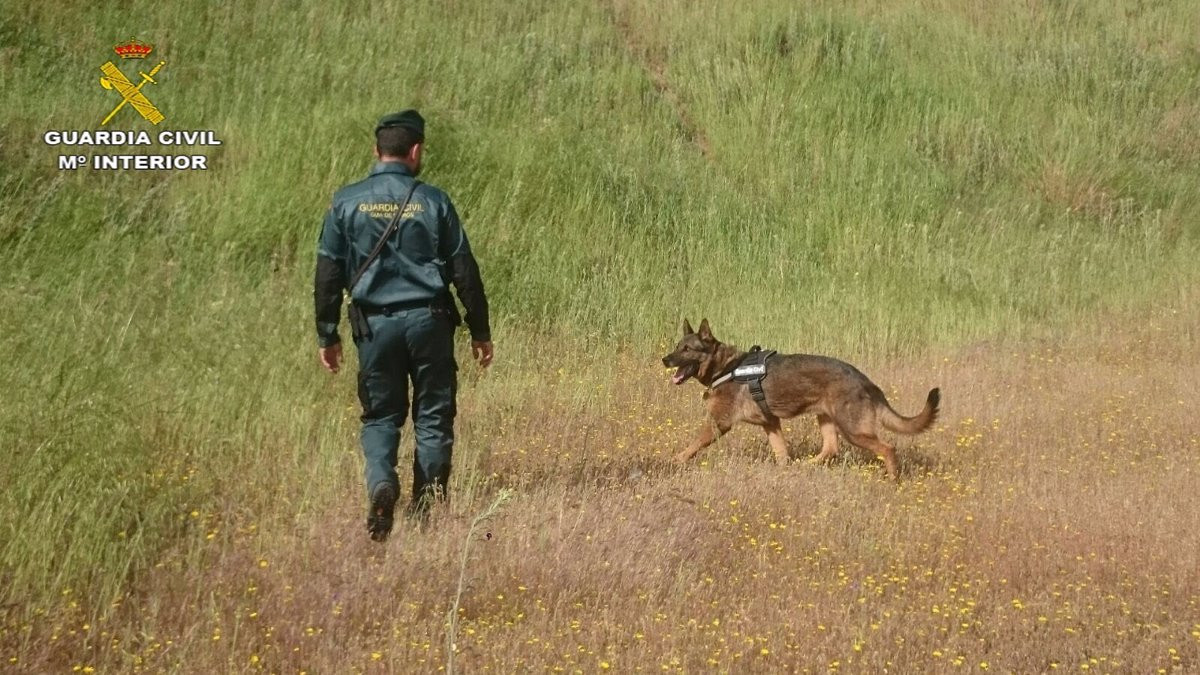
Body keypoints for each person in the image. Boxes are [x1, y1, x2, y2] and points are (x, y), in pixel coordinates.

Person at [314, 109, 493, 542]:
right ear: (416, 151)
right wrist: (480, 330)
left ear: (377, 151)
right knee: (433, 417)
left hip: (373, 328)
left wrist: (327, 334)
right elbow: (463, 271)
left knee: (380, 417)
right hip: (429, 323)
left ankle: (381, 484)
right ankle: (426, 511)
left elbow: (327, 273)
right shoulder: (434, 201)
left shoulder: (346, 201)